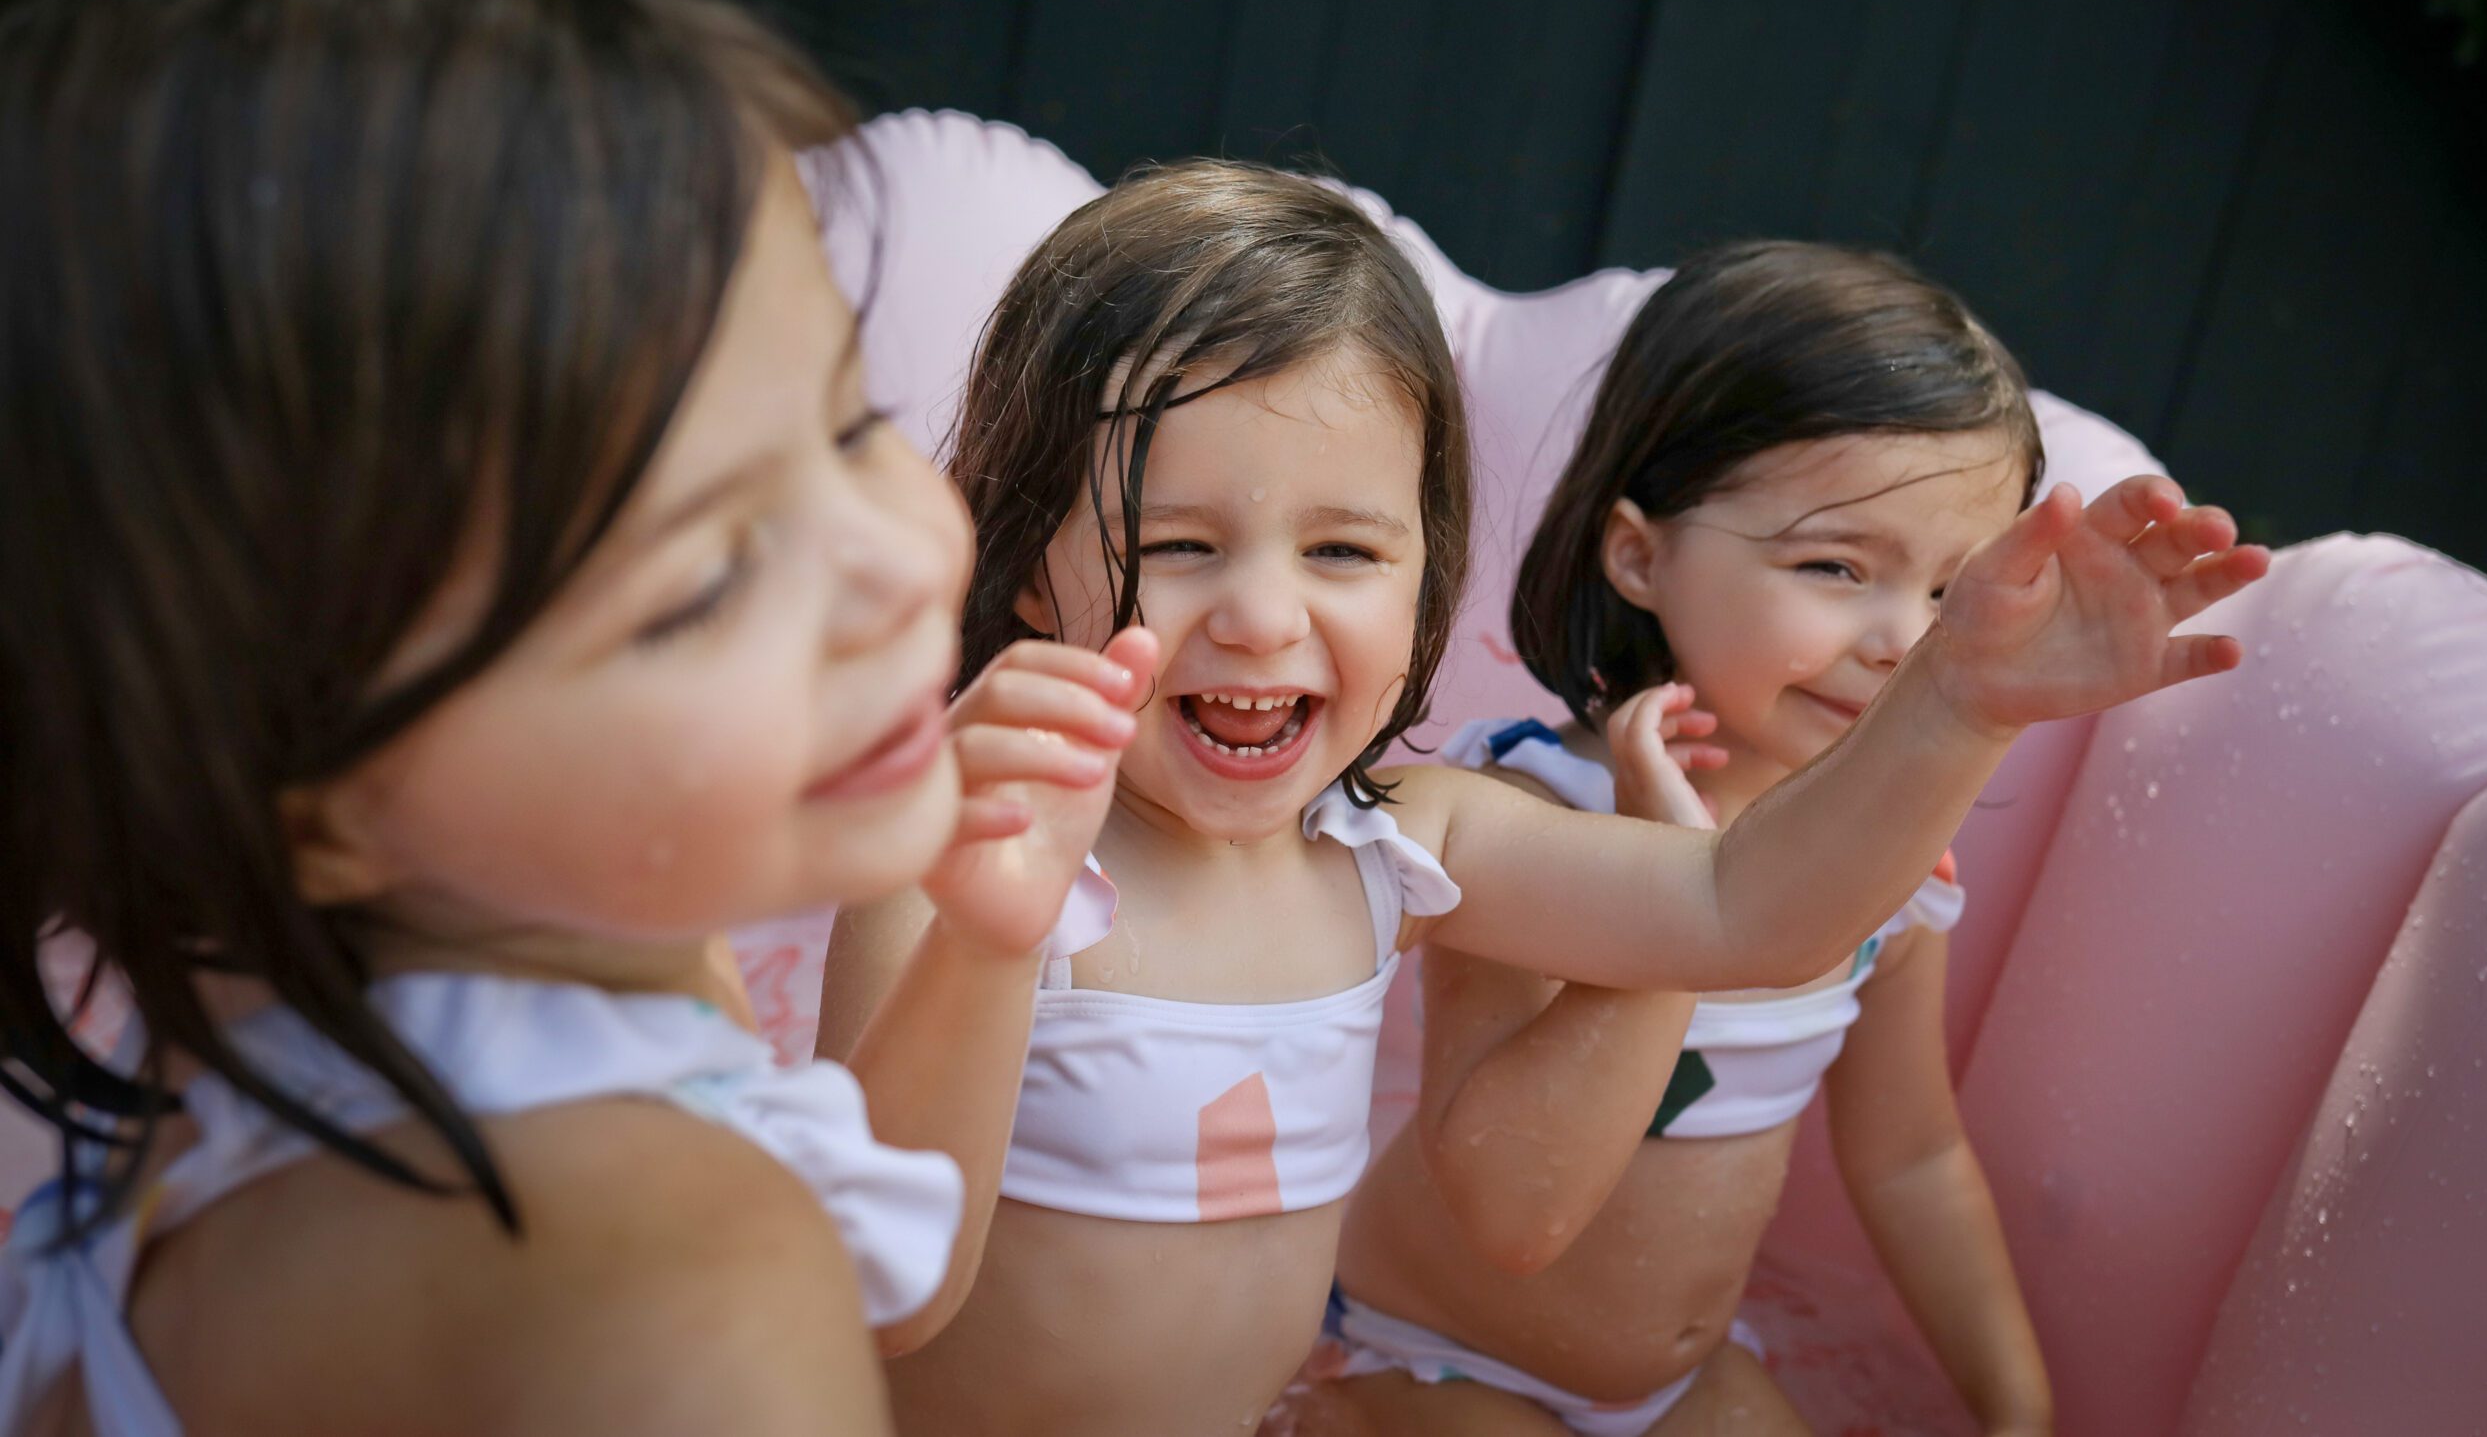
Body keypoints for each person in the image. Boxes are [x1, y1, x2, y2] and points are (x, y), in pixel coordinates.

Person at [822, 164, 2264, 1434]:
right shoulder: (962, 857)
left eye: (1343, 550)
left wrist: (1959, 699)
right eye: (1181, 543)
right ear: (1026, 569)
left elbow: (1741, 909)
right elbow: (879, 1287)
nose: (1264, 615)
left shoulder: (1403, 842)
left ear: (1428, 569)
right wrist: (986, 942)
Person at [0, 0, 1140, 1435]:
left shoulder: (286, 1057)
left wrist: (978, 945)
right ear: (306, 786)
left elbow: (886, 1265)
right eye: (710, 575)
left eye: (853, 419)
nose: (900, 558)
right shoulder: (677, 1295)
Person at [1325, 241, 2059, 1434]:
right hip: (1433, 1354)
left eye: (1950, 594)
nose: (1898, 640)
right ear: (1640, 554)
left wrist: (2021, 1410)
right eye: (1834, 567)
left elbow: (1909, 1160)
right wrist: (1673, 877)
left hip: (1678, 1383)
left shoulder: (1887, 877)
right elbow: (1509, 1211)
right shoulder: (1530, 817)